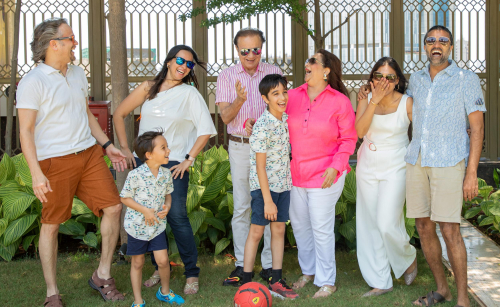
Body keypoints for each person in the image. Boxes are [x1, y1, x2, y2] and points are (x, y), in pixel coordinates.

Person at [17, 18, 126, 306]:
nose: (75, 42)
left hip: (89, 154)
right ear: (54, 44)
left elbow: (86, 114)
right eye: (71, 38)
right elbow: (25, 130)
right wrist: (37, 174)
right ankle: (52, 293)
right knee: (51, 224)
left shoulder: (77, 73)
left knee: (113, 207)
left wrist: (107, 144)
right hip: (54, 161)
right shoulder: (32, 82)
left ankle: (102, 275)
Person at [113, 45, 217, 295]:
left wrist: (189, 160)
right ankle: (160, 268)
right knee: (150, 216)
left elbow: (205, 129)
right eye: (180, 60)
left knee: (177, 217)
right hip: (145, 165)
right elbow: (119, 113)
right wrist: (126, 148)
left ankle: (192, 273)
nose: (184, 66)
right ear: (169, 61)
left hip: (174, 165)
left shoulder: (190, 94)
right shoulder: (148, 88)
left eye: (190, 64)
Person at [405, 25, 485, 307]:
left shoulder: (466, 79)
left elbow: (477, 128)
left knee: (450, 230)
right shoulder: (415, 79)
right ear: (424, 46)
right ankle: (442, 290)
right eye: (431, 41)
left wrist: (471, 172)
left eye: (443, 41)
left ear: (450, 47)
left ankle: (462, 299)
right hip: (417, 160)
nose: (436, 45)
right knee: (424, 227)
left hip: (450, 160)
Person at [286, 49, 357, 298]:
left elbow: (349, 139)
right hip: (297, 173)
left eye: (313, 61)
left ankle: (327, 281)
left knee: (321, 227)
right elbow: (274, 118)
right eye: (307, 60)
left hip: (327, 174)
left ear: (326, 70)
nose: (307, 64)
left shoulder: (340, 101)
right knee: (300, 226)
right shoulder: (292, 96)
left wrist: (335, 166)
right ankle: (309, 271)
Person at [215, 27, 283, 286]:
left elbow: (282, 108)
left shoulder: (273, 72)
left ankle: (268, 264)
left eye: (256, 49)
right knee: (243, 205)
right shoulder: (227, 76)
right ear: (237, 51)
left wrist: (264, 126)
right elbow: (225, 117)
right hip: (241, 147)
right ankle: (243, 264)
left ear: (261, 49)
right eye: (245, 50)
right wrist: (240, 101)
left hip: (271, 148)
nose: (251, 55)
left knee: (269, 204)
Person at [354, 57, 417, 297]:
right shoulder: (365, 98)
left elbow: (421, 133)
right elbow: (360, 132)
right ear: (372, 78)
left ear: (398, 80)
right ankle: (381, 280)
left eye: (390, 77)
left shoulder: (407, 103)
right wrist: (373, 101)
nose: (384, 81)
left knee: (387, 222)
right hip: (368, 164)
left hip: (397, 166)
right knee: (369, 223)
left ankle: (407, 257)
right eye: (379, 76)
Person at [241, 74, 298, 299]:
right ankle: (246, 280)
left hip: (284, 185)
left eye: (284, 92)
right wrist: (267, 200)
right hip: (264, 189)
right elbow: (260, 167)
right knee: (256, 231)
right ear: (265, 98)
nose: (282, 97)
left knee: (279, 230)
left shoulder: (284, 119)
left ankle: (276, 278)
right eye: (275, 94)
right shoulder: (262, 126)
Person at [120, 131, 184, 307]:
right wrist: (145, 211)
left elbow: (168, 196)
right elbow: (124, 198)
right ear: (148, 155)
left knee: (163, 261)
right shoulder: (135, 175)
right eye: (163, 147)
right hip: (137, 227)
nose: (168, 150)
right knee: (138, 263)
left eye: (167, 147)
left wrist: (167, 207)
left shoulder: (166, 174)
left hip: (157, 226)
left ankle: (164, 292)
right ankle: (138, 300)